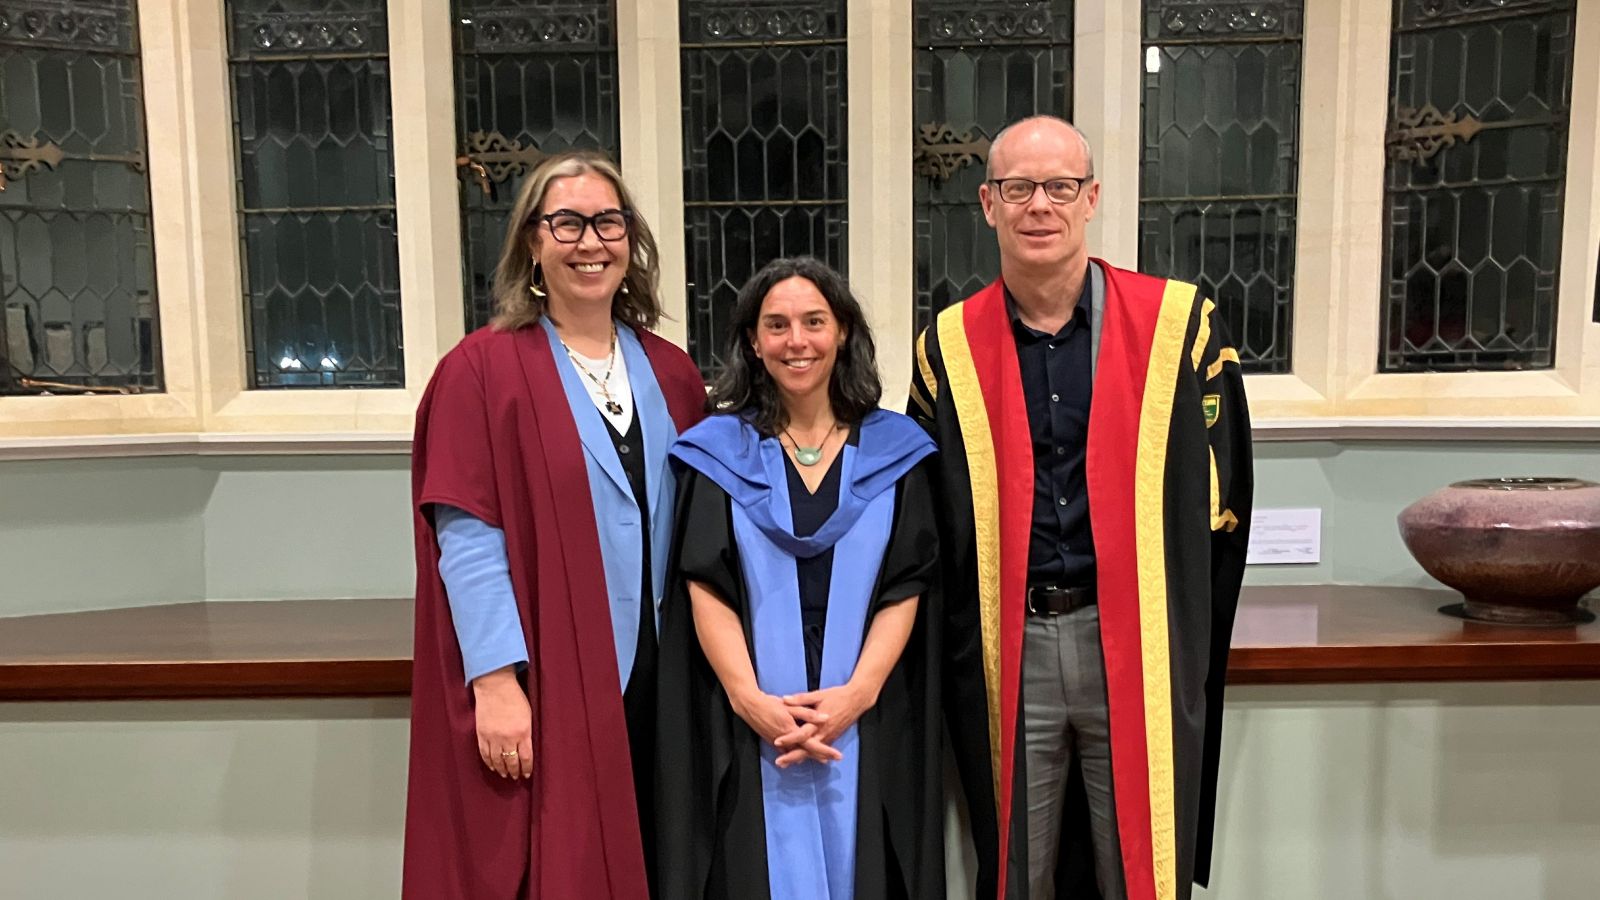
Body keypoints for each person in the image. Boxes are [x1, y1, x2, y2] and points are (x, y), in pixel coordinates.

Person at [908, 116, 1254, 900]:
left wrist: (1188, 637)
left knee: (1138, 864)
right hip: (1010, 647)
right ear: (988, 204)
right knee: (1017, 870)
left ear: (1091, 197)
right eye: (1018, 188)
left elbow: (1222, 504)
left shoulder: (1179, 326)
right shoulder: (947, 348)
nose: (1041, 206)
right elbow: (926, 523)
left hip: (1134, 638)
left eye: (1060, 187)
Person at [404, 150, 706, 899]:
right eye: (566, 223)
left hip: (665, 671)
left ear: (631, 241)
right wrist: (496, 682)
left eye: (608, 221)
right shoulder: (482, 370)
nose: (590, 242)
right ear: (532, 243)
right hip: (554, 670)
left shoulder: (671, 371)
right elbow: (468, 536)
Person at [657, 257, 945, 900]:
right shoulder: (716, 453)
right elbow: (705, 583)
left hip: (865, 715)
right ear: (754, 343)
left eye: (814, 321)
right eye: (777, 325)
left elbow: (909, 582)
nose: (797, 341)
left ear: (842, 331)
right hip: (752, 720)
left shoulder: (898, 452)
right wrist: (748, 700)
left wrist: (859, 693)